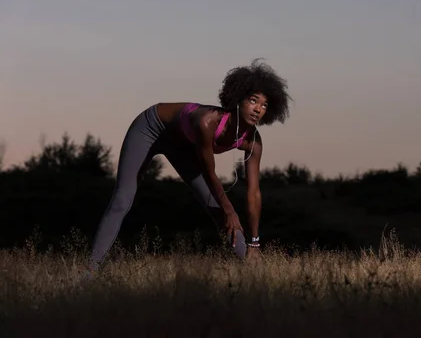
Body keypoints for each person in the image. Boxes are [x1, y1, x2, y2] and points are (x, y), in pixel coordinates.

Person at [85, 59, 292, 272]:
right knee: (122, 199)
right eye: (253, 100)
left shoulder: (253, 142)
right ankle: (89, 274)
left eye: (264, 105)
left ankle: (254, 273)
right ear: (239, 98)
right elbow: (208, 172)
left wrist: (255, 242)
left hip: (182, 145)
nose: (258, 109)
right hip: (151, 129)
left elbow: (254, 193)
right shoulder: (207, 122)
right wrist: (231, 210)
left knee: (218, 209)